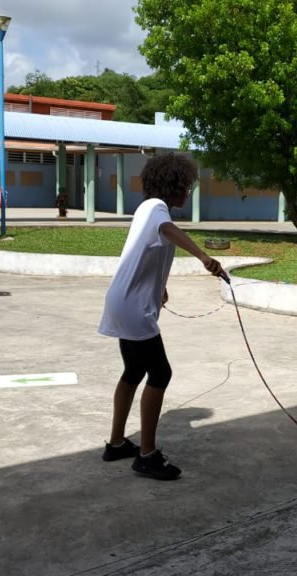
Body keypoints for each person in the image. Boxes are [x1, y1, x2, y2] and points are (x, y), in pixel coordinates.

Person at [97, 153, 225, 480]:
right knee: (161, 373)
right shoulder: (157, 209)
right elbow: (167, 230)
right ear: (175, 184)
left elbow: (151, 249)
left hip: (122, 300)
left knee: (134, 369)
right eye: (187, 185)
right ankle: (147, 454)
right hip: (132, 308)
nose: (189, 191)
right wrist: (203, 256)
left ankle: (115, 443)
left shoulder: (145, 208)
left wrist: (160, 287)